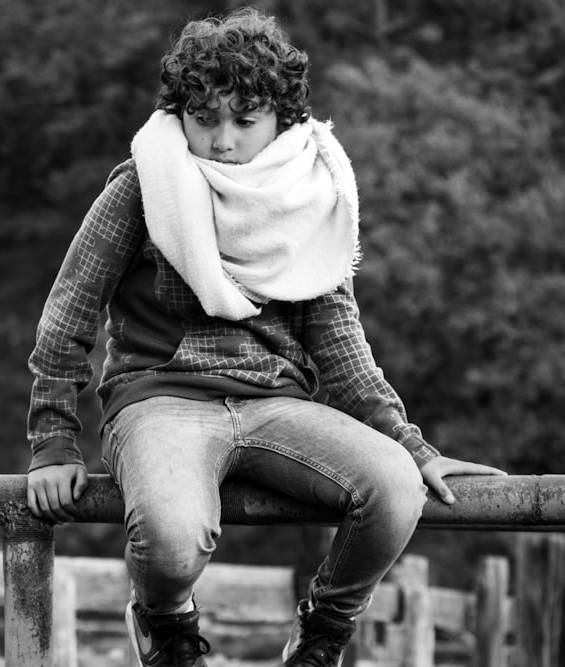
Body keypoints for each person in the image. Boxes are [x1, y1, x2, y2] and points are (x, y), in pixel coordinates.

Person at [25, 7, 506, 667]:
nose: (222, 140)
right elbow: (68, 311)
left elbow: (340, 344)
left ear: (281, 118)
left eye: (244, 122)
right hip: (161, 399)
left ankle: (322, 631)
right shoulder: (145, 184)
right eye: (204, 119)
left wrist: (411, 445)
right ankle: (163, 620)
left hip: (281, 406)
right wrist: (53, 440)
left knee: (396, 487)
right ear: (180, 114)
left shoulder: (311, 194)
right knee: (169, 537)